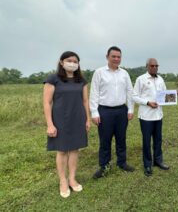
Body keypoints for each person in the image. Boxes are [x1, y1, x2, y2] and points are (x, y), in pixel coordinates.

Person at [43, 51, 90, 198]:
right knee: (62, 150)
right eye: (69, 60)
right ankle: (63, 181)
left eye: (75, 61)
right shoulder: (53, 79)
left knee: (75, 149)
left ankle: (72, 178)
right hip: (60, 119)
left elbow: (85, 101)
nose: (73, 63)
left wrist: (87, 119)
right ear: (62, 62)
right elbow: (47, 102)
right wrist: (50, 124)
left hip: (78, 118)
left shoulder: (81, 80)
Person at [90, 46, 134, 179]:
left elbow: (129, 91)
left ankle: (122, 162)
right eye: (113, 56)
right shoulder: (99, 72)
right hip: (105, 111)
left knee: (121, 138)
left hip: (121, 110)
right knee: (105, 140)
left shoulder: (124, 74)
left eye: (118, 57)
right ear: (107, 57)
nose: (116, 59)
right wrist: (94, 112)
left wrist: (130, 109)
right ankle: (104, 166)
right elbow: (94, 93)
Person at [133, 58, 170, 176]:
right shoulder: (141, 79)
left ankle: (158, 161)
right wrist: (148, 102)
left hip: (158, 115)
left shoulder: (160, 79)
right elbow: (134, 96)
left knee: (158, 140)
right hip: (146, 116)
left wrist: (173, 94)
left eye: (156, 66)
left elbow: (164, 94)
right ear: (147, 66)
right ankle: (148, 164)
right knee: (146, 141)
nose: (154, 68)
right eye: (152, 66)